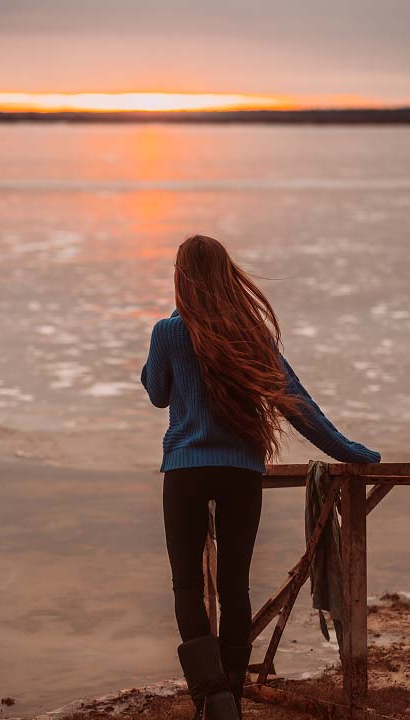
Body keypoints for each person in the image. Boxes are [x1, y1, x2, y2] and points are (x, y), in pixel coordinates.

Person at [142, 235, 380, 720]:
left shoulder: (168, 332)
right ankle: (230, 697)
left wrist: (174, 322)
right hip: (241, 472)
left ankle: (213, 698)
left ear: (181, 278)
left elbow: (157, 392)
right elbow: (299, 406)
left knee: (187, 586)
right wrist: (350, 452)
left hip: (185, 471)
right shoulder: (251, 335)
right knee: (235, 587)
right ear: (226, 275)